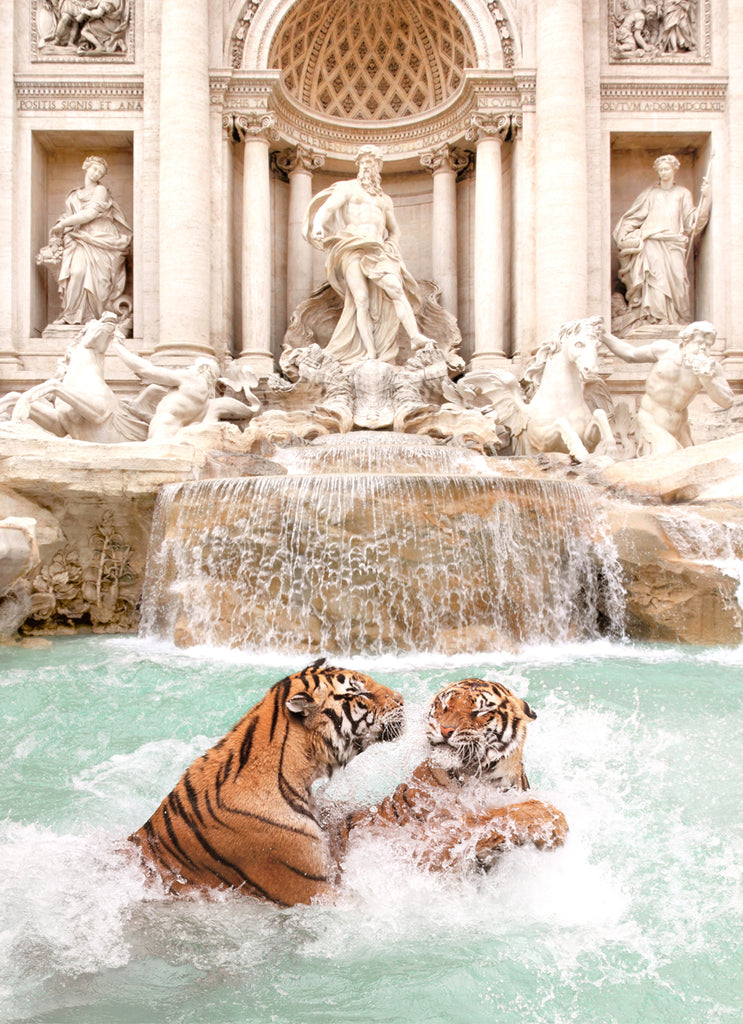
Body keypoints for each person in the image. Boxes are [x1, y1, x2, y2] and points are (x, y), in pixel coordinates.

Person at [303, 145, 433, 366]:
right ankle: (370, 352)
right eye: (363, 162)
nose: (366, 166)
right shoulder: (347, 188)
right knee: (360, 300)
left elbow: (395, 230)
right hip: (351, 246)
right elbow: (327, 209)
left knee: (396, 289)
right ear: (358, 166)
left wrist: (392, 243)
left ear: (378, 167)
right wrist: (317, 226)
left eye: (371, 163)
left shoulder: (385, 200)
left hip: (377, 250)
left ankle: (414, 337)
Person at [601, 320, 733, 456]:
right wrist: (605, 336)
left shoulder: (712, 368)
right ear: (686, 340)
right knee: (667, 456)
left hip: (680, 427)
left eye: (708, 345)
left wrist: (708, 380)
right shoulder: (664, 350)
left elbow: (727, 401)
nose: (703, 348)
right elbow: (631, 354)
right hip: (650, 420)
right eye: (699, 343)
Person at [613, 154, 710, 328]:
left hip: (674, 243)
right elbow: (633, 218)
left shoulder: (683, 193)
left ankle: (677, 319)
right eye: (661, 170)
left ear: (674, 170)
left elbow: (692, 223)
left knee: (678, 280)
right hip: (652, 241)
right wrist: (624, 234)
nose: (664, 172)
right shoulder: (650, 194)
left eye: (667, 169)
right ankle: (655, 319)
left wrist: (706, 199)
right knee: (654, 279)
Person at [44, 155, 131, 325]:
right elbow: (68, 216)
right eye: (94, 169)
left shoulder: (100, 191)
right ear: (86, 167)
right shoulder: (74, 195)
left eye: (100, 172)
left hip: (100, 237)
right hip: (79, 239)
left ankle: (93, 317)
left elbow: (90, 214)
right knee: (76, 273)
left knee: (98, 280)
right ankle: (70, 315)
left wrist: (63, 224)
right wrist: (60, 226)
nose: (96, 173)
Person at [112, 343, 221, 441]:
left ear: (202, 368)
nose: (189, 369)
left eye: (192, 366)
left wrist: (118, 347)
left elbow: (146, 370)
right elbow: (173, 419)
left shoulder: (192, 378)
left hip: (161, 440)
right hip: (166, 439)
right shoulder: (204, 401)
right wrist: (139, 413)